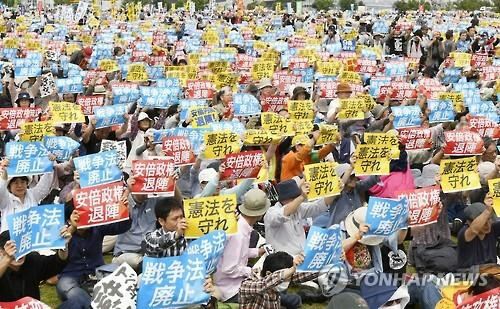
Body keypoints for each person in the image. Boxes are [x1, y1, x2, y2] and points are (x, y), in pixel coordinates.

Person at [214, 188, 269, 303]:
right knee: (269, 295)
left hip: (233, 284)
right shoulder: (239, 233)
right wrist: (250, 271)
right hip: (231, 290)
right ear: (260, 213)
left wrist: (258, 251)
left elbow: (237, 253)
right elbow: (229, 268)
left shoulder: (241, 226)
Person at [264, 178, 337, 256]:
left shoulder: (299, 208)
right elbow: (283, 214)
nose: (297, 201)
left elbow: (318, 206)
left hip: (301, 257)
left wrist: (335, 191)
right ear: (284, 199)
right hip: (282, 261)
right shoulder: (271, 213)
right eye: (294, 199)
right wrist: (301, 197)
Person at [0, 226, 72, 301]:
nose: (18, 254)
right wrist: (7, 258)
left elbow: (57, 262)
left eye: (21, 247)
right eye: (12, 249)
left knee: (76, 302)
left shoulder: (32, 260)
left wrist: (63, 246)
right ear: (1, 252)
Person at [239, 252, 318, 309]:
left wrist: (324, 267)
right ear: (268, 274)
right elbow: (266, 283)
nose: (287, 282)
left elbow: (303, 275)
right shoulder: (247, 285)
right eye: (285, 278)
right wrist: (292, 269)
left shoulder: (278, 283)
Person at [0, 157, 56, 233]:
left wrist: (50, 163)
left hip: (32, 237)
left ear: (27, 183)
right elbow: (1, 190)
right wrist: (5, 172)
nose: (20, 186)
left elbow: (45, 185)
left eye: (23, 182)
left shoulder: (32, 194)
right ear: (9, 186)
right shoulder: (5, 200)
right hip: (10, 241)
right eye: (16, 183)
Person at [457, 195, 500, 269]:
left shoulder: (493, 229)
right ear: (469, 222)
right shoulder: (464, 233)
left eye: (489, 219)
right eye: (483, 222)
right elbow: (474, 230)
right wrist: (487, 211)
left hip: (492, 271)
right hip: (469, 275)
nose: (487, 225)